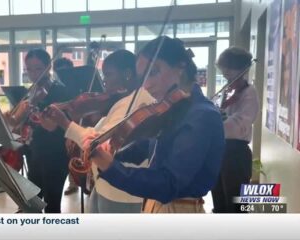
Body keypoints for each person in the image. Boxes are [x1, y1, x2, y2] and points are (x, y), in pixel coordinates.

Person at [82, 36, 225, 213]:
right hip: (157, 206)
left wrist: (111, 168)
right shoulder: (175, 109)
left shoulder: (202, 115)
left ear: (180, 67)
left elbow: (169, 184)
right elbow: (150, 147)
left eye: (154, 72)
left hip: (178, 211)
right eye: (143, 77)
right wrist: (111, 149)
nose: (147, 85)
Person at [44, 49, 155, 213]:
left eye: (108, 74)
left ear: (127, 74)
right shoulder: (124, 99)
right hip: (105, 184)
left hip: (121, 193)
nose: (104, 81)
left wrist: (66, 124)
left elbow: (99, 144)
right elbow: (100, 132)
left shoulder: (139, 103)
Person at [6, 49, 70, 213]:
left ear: (48, 68)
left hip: (55, 155)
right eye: (29, 69)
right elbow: (15, 124)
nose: (33, 74)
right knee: (33, 201)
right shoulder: (32, 92)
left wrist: (35, 111)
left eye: (38, 69)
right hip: (35, 153)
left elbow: (52, 127)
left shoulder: (60, 91)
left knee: (52, 205)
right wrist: (7, 117)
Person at [211, 47, 259, 213]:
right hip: (219, 151)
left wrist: (214, 123)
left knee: (236, 206)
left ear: (242, 69)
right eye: (224, 69)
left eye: (229, 69)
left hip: (236, 153)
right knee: (219, 202)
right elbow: (223, 114)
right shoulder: (229, 90)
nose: (225, 73)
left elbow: (240, 125)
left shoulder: (249, 92)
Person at [52, 57, 78, 196]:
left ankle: (75, 182)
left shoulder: (75, 86)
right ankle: (73, 182)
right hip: (59, 128)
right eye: (59, 71)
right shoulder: (56, 87)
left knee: (73, 154)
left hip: (73, 124)